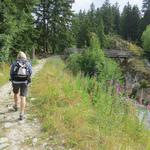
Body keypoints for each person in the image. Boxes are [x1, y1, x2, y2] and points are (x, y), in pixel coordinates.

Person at [10, 51, 32, 120]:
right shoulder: (27, 63)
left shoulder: (14, 63)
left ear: (18, 57)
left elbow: (11, 73)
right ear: (24, 57)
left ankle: (16, 106)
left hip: (15, 82)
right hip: (24, 82)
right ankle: (21, 114)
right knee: (23, 97)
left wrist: (12, 79)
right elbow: (31, 72)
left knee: (16, 93)